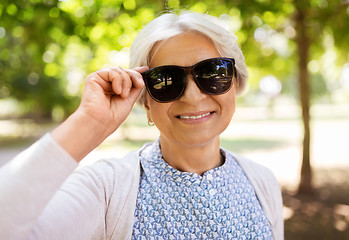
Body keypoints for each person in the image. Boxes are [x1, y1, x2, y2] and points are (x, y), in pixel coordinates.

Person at [0, 11, 283, 240]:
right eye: (166, 80)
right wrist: (89, 122)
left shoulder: (262, 182)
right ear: (145, 100)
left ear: (235, 84)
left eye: (212, 72)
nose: (193, 96)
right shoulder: (106, 190)